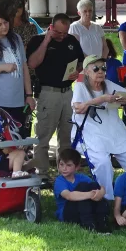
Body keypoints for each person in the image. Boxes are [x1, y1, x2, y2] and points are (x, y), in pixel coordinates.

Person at [71, 54, 126, 199]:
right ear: (86, 72)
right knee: (102, 163)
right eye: (96, 68)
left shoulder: (108, 84)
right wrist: (101, 99)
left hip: (114, 132)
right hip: (91, 133)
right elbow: (78, 108)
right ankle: (106, 198)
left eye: (103, 68)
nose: (100, 71)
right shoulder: (81, 86)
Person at [26, 13, 85, 180]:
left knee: (66, 134)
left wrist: (78, 71)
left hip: (67, 92)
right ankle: (42, 173)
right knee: (43, 134)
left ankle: (65, 172)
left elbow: (82, 60)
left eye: (65, 32)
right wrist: (46, 41)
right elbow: (32, 64)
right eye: (58, 32)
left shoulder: (71, 40)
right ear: (51, 27)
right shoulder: (37, 41)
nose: (62, 36)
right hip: (48, 93)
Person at [53, 148, 109, 231]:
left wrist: (100, 193)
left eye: (68, 165)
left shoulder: (81, 177)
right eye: (61, 164)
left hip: (83, 210)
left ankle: (102, 223)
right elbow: (69, 196)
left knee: (93, 185)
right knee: (82, 187)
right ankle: (89, 225)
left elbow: (100, 187)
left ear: (77, 167)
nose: (64, 168)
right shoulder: (59, 181)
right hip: (68, 213)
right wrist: (91, 194)